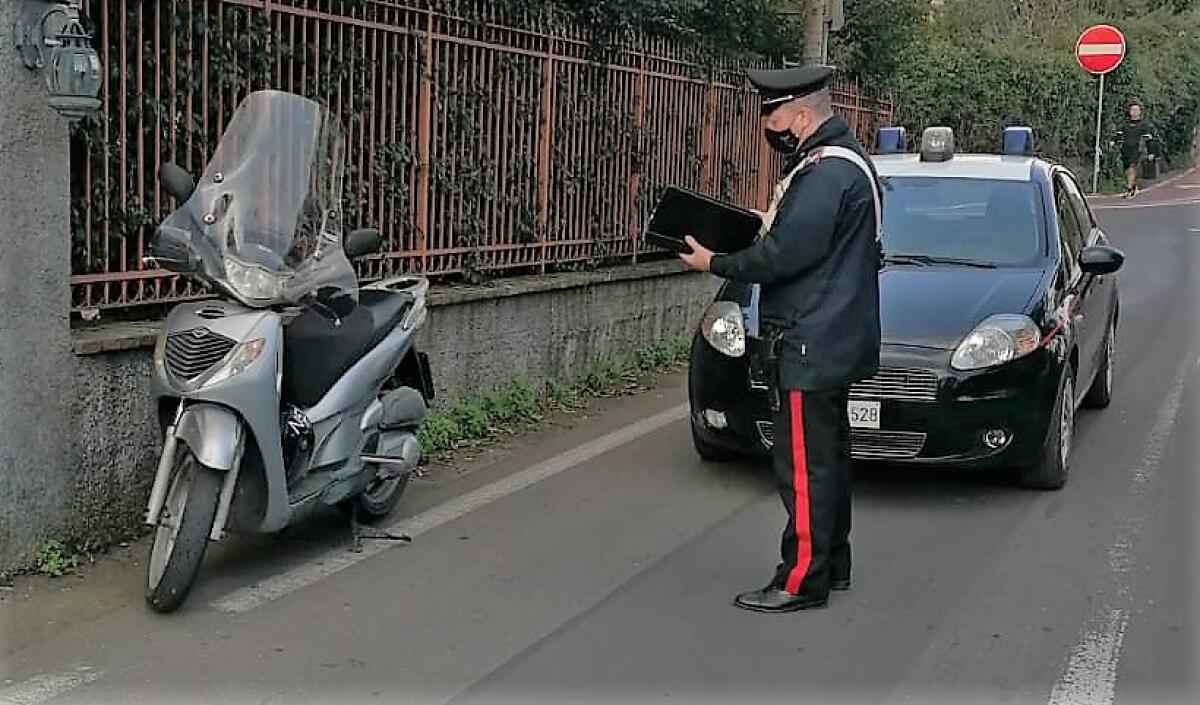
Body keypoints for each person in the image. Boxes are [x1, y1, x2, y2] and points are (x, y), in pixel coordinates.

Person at [678, 64, 882, 613]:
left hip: (808, 340)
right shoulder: (843, 162)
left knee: (805, 470)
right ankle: (833, 565)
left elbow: (782, 256)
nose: (768, 127)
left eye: (772, 117)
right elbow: (803, 236)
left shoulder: (826, 173)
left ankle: (800, 580)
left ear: (800, 115)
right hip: (831, 337)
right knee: (828, 460)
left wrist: (714, 261)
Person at [1115, 101, 1157, 198]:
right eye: (1132, 110)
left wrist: (1151, 152)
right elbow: (1119, 134)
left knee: (1132, 167)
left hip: (1138, 149)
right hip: (1125, 149)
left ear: (1140, 112)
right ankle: (1133, 185)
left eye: (1136, 110)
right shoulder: (1125, 124)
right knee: (1127, 170)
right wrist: (1114, 141)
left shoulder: (1144, 125)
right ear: (1129, 111)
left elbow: (1149, 139)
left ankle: (1128, 189)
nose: (1134, 112)